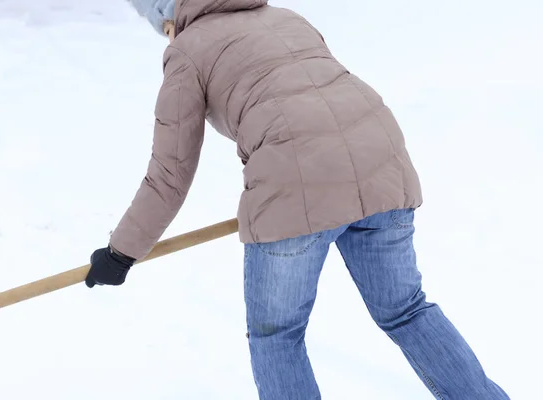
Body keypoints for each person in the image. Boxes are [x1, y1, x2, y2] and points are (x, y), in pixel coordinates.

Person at [84, 1, 510, 399]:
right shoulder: (287, 18)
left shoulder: (187, 50)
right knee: (406, 311)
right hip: (382, 163)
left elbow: (170, 172)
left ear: (170, 14)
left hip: (293, 186)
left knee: (277, 337)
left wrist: (120, 253)